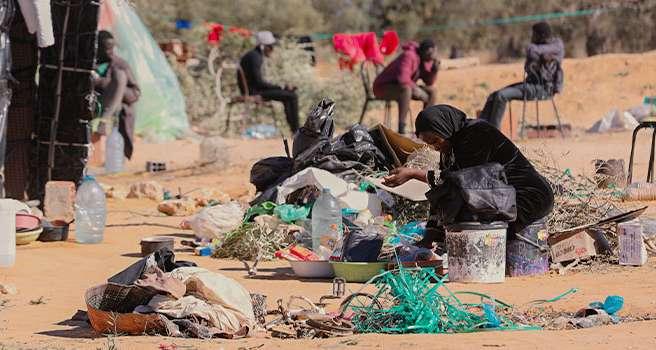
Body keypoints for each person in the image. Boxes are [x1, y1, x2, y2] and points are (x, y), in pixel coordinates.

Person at [384, 104, 554, 247]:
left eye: (436, 141)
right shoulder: (449, 147)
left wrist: (413, 173)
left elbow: (461, 182)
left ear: (445, 128)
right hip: (504, 198)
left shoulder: (477, 135)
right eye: (430, 144)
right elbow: (443, 190)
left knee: (465, 211)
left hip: (530, 198)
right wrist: (429, 237)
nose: (435, 147)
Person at [480, 22, 564, 129]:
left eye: (534, 35)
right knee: (494, 96)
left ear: (541, 35)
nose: (532, 37)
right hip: (530, 85)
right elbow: (531, 51)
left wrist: (538, 52)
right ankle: (481, 129)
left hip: (544, 89)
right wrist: (541, 55)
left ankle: (494, 135)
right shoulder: (541, 46)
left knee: (501, 96)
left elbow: (532, 50)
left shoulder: (557, 44)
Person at [91, 30, 141, 162]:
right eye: (105, 48)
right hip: (93, 103)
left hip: (114, 106)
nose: (109, 51)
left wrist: (106, 84)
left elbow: (135, 93)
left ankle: (104, 121)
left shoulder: (119, 65)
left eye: (111, 48)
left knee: (120, 77)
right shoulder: (89, 63)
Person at [373, 39, 439, 134]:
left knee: (432, 91)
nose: (434, 56)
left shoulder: (424, 60)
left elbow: (429, 82)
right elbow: (403, 79)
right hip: (382, 88)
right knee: (406, 89)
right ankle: (401, 129)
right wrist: (417, 90)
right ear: (427, 51)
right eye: (432, 52)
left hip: (398, 88)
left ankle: (425, 127)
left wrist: (434, 70)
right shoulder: (409, 56)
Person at [239, 31, 300, 132]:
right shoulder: (255, 57)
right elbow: (259, 82)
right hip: (253, 92)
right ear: (263, 46)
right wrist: (281, 87)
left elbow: (258, 82)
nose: (272, 49)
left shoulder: (254, 55)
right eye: (271, 46)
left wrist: (282, 87)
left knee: (289, 95)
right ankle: (296, 131)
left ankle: (295, 130)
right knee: (292, 96)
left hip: (255, 89)